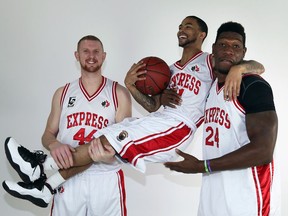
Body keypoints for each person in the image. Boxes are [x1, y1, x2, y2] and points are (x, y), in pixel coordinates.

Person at [3, 16, 264, 209]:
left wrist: (238, 70)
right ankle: (46, 187)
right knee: (100, 145)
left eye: (188, 26)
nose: (182, 30)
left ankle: (39, 166)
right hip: (159, 120)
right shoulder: (169, 69)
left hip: (178, 127)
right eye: (180, 26)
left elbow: (257, 65)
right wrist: (131, 85)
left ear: (203, 34)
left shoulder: (211, 60)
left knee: (104, 143)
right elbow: (152, 106)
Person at [3, 35, 132, 215]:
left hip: (105, 177)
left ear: (104, 56)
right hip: (69, 180)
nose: (91, 56)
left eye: (96, 52)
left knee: (106, 142)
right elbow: (47, 134)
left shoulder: (118, 93)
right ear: (76, 55)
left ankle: (40, 170)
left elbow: (125, 144)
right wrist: (54, 144)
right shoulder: (62, 93)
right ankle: (43, 178)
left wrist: (107, 156)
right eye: (85, 51)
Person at [164, 22, 278, 216]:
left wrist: (203, 166)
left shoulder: (253, 86)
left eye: (236, 46)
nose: (228, 51)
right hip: (212, 197)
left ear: (243, 52)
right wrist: (162, 96)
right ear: (213, 49)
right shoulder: (210, 87)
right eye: (223, 45)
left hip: (247, 200)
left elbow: (264, 151)